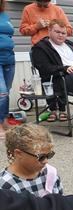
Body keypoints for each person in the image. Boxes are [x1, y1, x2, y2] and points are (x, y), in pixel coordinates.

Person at [0, 124, 62, 196]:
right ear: (19, 153)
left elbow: (61, 204)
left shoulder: (50, 174)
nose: (46, 161)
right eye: (41, 157)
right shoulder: (5, 185)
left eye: (49, 155)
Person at [0, 0, 15, 139]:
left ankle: (4, 121)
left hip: (9, 58)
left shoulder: (4, 15)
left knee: (7, 91)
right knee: (1, 92)